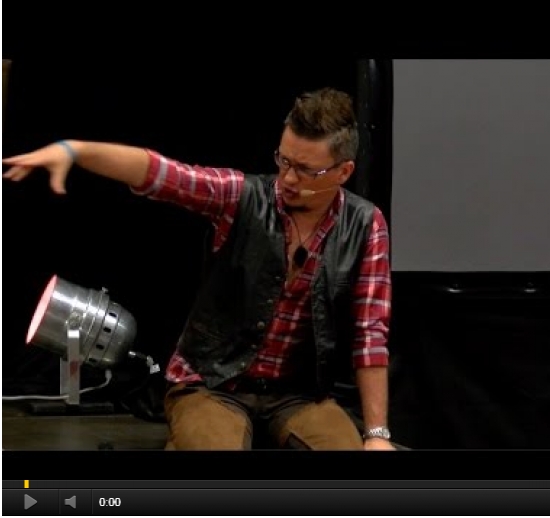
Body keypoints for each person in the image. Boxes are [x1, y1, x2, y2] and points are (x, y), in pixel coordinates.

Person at [2, 87, 395, 451]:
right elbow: (162, 174)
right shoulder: (241, 196)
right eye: (284, 160)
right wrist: (74, 150)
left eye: (306, 170)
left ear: (343, 172)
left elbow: (370, 333)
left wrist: (377, 434)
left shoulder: (365, 224)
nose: (289, 178)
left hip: (300, 394)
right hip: (213, 384)